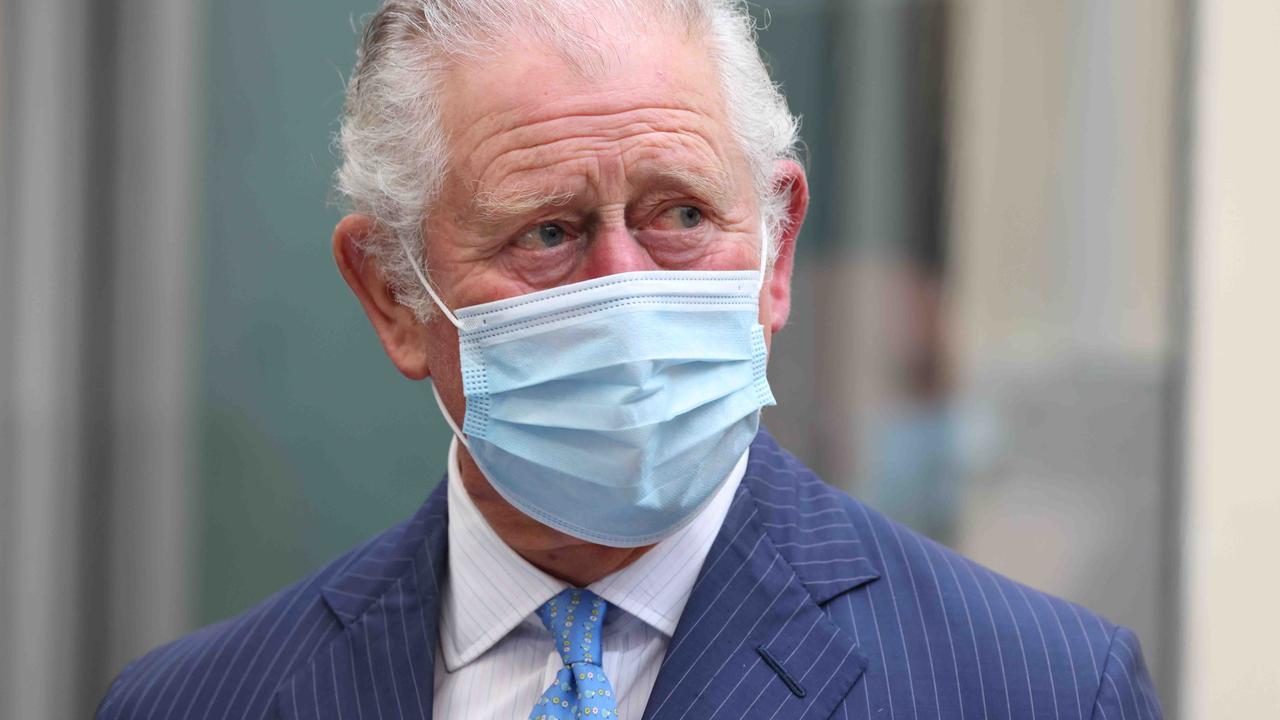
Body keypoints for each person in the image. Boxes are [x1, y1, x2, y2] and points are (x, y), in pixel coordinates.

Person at [98, 1, 1162, 718]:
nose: (625, 288)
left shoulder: (1037, 689)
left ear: (776, 250)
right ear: (393, 295)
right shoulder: (202, 700)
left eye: (680, 214)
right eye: (547, 232)